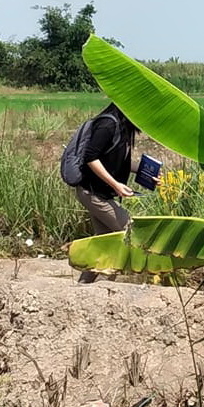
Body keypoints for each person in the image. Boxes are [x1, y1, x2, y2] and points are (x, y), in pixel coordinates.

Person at [65, 103, 138, 283]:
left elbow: (114, 158)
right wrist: (116, 185)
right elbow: (91, 157)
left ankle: (85, 285)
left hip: (101, 193)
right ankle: (106, 287)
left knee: (105, 243)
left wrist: (145, 173)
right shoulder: (108, 125)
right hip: (92, 193)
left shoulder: (122, 127)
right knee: (129, 232)